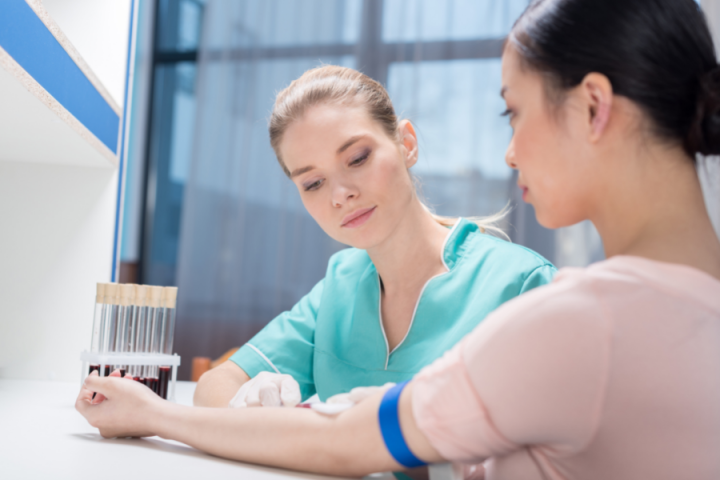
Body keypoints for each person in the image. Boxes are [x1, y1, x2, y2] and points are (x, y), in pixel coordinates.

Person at [76, 0, 720, 478]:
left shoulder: (569, 314)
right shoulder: (343, 284)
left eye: (513, 112)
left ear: (592, 108)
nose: (510, 150)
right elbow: (246, 388)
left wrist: (154, 414)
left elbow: (353, 440)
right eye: (310, 182)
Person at [191, 65, 555, 408]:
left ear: (407, 143)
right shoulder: (341, 284)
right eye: (313, 183)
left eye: (358, 158)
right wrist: (251, 400)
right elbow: (214, 386)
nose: (340, 194)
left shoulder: (520, 284)